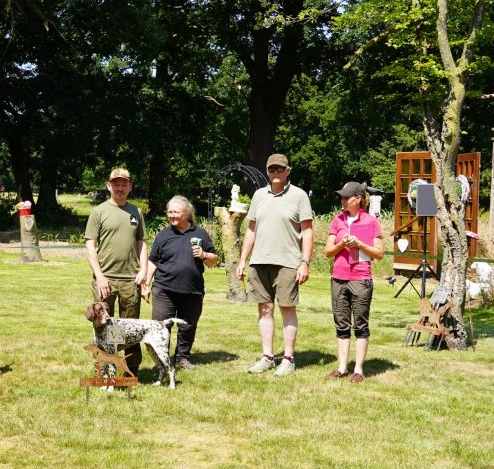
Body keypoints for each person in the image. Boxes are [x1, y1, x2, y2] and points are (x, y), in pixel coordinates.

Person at [237, 154, 314, 377]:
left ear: (288, 170)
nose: (276, 173)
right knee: (264, 309)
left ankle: (288, 359)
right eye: (272, 169)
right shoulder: (259, 195)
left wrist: (305, 262)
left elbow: (307, 231)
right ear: (267, 171)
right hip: (259, 261)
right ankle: (268, 357)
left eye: (280, 169)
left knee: (287, 309)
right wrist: (243, 260)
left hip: (288, 262)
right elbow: (251, 230)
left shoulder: (299, 196)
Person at [143, 196, 218, 371]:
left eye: (175, 212)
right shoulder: (163, 235)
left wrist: (204, 255)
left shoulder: (200, 234)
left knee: (187, 326)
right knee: (160, 327)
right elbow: (153, 261)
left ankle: (182, 358)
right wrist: (146, 284)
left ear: (187, 213)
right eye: (169, 212)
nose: (171, 215)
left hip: (192, 291)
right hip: (164, 289)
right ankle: (162, 361)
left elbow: (214, 259)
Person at [85, 167, 148, 374]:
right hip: (106, 279)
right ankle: (105, 370)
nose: (120, 188)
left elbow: (141, 242)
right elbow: (90, 245)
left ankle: (131, 369)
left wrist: (143, 270)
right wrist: (100, 276)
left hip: (130, 279)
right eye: (116, 184)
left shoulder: (136, 212)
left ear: (130, 187)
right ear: (108, 186)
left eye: (124, 184)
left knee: (130, 327)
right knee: (104, 327)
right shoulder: (99, 211)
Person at [324, 182, 384, 383]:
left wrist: (359, 244)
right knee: (341, 324)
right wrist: (341, 244)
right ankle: (342, 367)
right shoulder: (337, 221)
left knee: (360, 325)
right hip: (339, 278)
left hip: (361, 278)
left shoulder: (371, 222)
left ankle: (358, 370)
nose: (342, 201)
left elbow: (379, 254)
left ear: (358, 199)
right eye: (341, 197)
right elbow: (327, 252)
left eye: (346, 197)